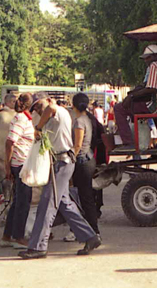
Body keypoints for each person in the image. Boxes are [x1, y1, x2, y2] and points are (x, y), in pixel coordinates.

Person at [19, 99, 101, 259]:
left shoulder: (56, 111)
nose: (38, 109)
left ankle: (38, 247)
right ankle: (90, 237)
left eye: (38, 105)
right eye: (35, 108)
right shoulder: (54, 116)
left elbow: (50, 108)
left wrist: (38, 128)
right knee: (65, 205)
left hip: (63, 163)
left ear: (48, 100)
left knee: (47, 203)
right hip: (61, 162)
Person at [115, 45, 157, 150]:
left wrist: (131, 96)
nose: (146, 61)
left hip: (154, 105)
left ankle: (128, 143)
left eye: (148, 58)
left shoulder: (154, 66)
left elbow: (150, 88)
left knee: (119, 108)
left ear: (155, 56)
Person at [0, 93, 34, 249]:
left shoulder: (23, 118)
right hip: (21, 164)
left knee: (18, 200)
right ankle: (18, 236)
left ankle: (7, 235)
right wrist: (7, 166)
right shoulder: (21, 119)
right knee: (23, 201)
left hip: (20, 163)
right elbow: (10, 143)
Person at [70, 93, 100, 237]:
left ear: (73, 105)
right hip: (89, 159)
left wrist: (70, 159)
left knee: (83, 197)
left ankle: (92, 230)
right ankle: (91, 229)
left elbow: (77, 145)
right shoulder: (88, 119)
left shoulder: (79, 122)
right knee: (86, 197)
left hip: (82, 162)